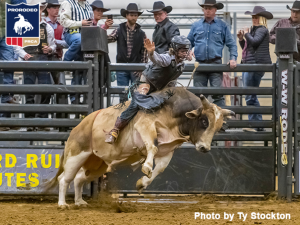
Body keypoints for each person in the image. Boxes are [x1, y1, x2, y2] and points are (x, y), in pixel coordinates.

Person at [105, 35, 191, 144]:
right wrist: (151, 53)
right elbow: (157, 59)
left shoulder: (181, 65)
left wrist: (171, 94)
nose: (185, 53)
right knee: (136, 103)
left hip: (161, 87)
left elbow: (172, 81)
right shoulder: (167, 59)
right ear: (175, 49)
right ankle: (115, 130)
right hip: (147, 82)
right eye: (182, 50)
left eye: (186, 51)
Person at [13, 0, 56, 131]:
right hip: (30, 59)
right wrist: (23, 54)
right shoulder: (44, 26)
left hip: (42, 58)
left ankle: (40, 120)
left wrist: (50, 49)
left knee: (46, 90)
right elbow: (16, 44)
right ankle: (31, 121)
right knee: (29, 91)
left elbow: (53, 44)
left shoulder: (46, 27)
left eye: (39, 8)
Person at [187, 0, 238, 107]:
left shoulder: (223, 26)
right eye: (205, 8)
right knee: (198, 95)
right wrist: (187, 52)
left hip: (216, 65)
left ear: (215, 10)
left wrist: (233, 58)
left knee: (218, 95)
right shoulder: (196, 26)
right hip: (199, 65)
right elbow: (188, 43)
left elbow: (232, 44)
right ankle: (200, 123)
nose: (207, 10)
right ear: (203, 10)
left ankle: (221, 123)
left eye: (210, 8)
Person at [238, 6, 273, 132]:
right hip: (252, 64)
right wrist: (242, 38)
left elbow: (254, 42)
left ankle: (256, 125)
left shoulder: (261, 30)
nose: (254, 19)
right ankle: (257, 125)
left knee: (250, 96)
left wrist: (246, 33)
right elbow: (247, 48)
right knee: (251, 96)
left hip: (254, 65)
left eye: (256, 17)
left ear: (262, 18)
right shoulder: (257, 30)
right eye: (253, 17)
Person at [108, 3, 147, 103]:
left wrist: (142, 68)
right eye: (131, 15)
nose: (133, 17)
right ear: (126, 16)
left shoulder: (142, 34)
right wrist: (104, 28)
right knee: (123, 95)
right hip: (122, 67)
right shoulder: (119, 29)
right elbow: (108, 39)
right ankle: (123, 117)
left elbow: (144, 52)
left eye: (135, 15)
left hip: (136, 68)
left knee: (137, 96)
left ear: (137, 16)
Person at [0, 0, 27, 132]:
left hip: (6, 33)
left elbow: (22, 5)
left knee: (8, 71)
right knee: (7, 72)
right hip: (6, 33)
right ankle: (5, 119)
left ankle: (5, 120)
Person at [59, 0, 93, 104]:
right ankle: (66, 61)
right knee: (78, 40)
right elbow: (63, 21)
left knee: (80, 69)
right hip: (72, 34)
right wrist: (80, 23)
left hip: (86, 37)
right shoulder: (67, 3)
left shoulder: (88, 6)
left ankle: (75, 98)